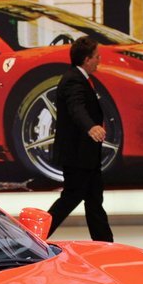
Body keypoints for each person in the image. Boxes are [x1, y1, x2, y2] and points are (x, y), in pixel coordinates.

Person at [47, 36, 114, 242]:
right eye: (97, 57)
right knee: (71, 198)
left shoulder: (79, 78)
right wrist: (90, 126)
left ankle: (105, 245)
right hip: (77, 156)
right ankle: (33, 238)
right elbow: (76, 108)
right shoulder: (73, 80)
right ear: (86, 59)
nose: (99, 60)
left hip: (86, 156)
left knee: (94, 201)